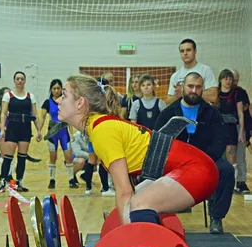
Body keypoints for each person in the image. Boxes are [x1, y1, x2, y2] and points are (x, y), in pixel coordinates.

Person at [57, 73, 219, 225]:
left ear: (80, 103)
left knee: (137, 205)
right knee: (133, 205)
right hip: (191, 168)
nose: (58, 100)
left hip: (197, 170)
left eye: (64, 95)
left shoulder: (102, 130)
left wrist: (130, 237)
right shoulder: (98, 126)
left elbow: (124, 191)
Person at [154, 72, 235, 234]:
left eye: (198, 87)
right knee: (152, 171)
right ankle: (158, 216)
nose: (194, 90)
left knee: (227, 170)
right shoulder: (168, 113)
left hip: (205, 160)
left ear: (202, 89)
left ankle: (216, 217)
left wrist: (204, 159)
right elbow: (158, 140)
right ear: (183, 87)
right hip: (175, 163)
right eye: (190, 86)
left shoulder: (212, 113)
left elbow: (220, 141)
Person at [0, 71, 42, 192]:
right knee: (8, 157)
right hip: (12, 128)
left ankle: (19, 182)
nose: (20, 81)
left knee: (22, 157)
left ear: (25, 81)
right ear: (14, 81)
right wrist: (2, 130)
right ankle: (2, 182)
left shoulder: (30, 96)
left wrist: (39, 130)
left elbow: (34, 114)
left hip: (25, 128)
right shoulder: (8, 96)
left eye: (22, 79)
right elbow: (4, 114)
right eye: (17, 79)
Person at [40, 79, 77, 189]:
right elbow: (42, 118)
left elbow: (69, 118)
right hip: (52, 133)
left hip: (64, 132)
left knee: (68, 156)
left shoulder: (66, 102)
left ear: (62, 89)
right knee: (53, 157)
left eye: (58, 88)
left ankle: (71, 179)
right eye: (54, 88)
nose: (56, 90)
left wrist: (71, 133)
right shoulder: (47, 102)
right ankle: (52, 180)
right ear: (51, 90)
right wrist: (38, 131)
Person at [217, 69, 245, 192]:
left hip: (231, 129)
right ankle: (217, 184)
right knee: (217, 156)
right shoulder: (215, 94)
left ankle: (232, 187)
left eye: (230, 79)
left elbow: (240, 114)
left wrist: (241, 132)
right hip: (218, 129)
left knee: (231, 157)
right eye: (225, 78)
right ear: (220, 80)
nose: (228, 81)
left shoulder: (236, 94)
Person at [167, 39, 218, 105]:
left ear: (195, 51)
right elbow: (168, 102)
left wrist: (186, 91)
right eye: (182, 51)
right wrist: (176, 96)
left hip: (201, 111)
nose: (185, 53)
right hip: (182, 113)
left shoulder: (206, 70)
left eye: (188, 50)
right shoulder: (175, 76)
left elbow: (213, 96)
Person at [232, 69, 251, 193]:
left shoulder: (241, 92)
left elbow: (245, 109)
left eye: (236, 80)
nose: (234, 82)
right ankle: (229, 182)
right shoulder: (220, 92)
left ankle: (241, 181)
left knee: (240, 156)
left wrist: (245, 131)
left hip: (240, 127)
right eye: (232, 79)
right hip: (225, 128)